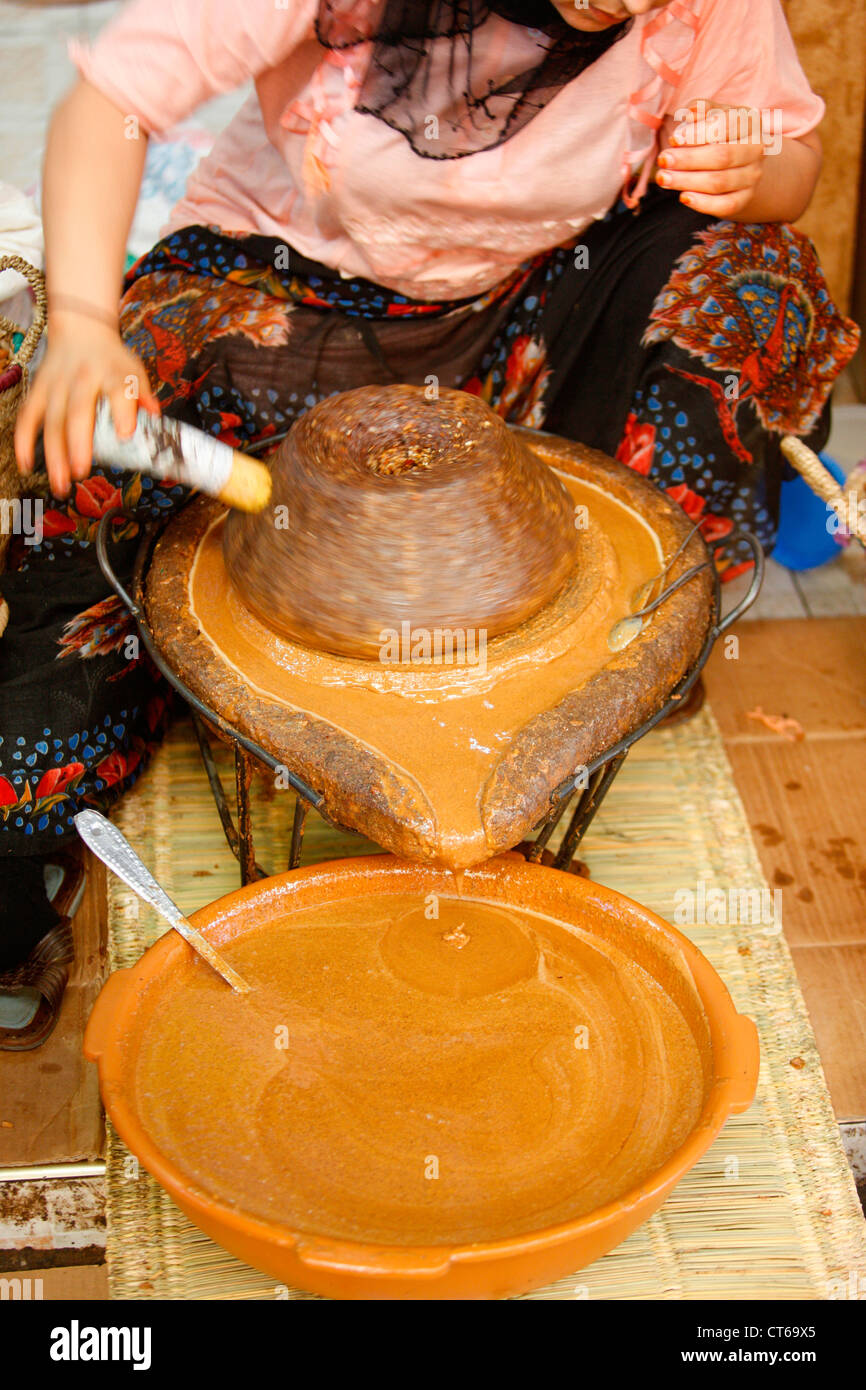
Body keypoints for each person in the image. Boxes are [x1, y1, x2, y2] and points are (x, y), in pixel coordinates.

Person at [0, 0, 858, 1045]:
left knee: (747, 280)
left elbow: (792, 161)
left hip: (531, 313)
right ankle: (58, 782)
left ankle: (598, 670)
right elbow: (109, 103)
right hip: (295, 302)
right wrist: (85, 329)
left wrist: (750, 165)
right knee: (95, 467)